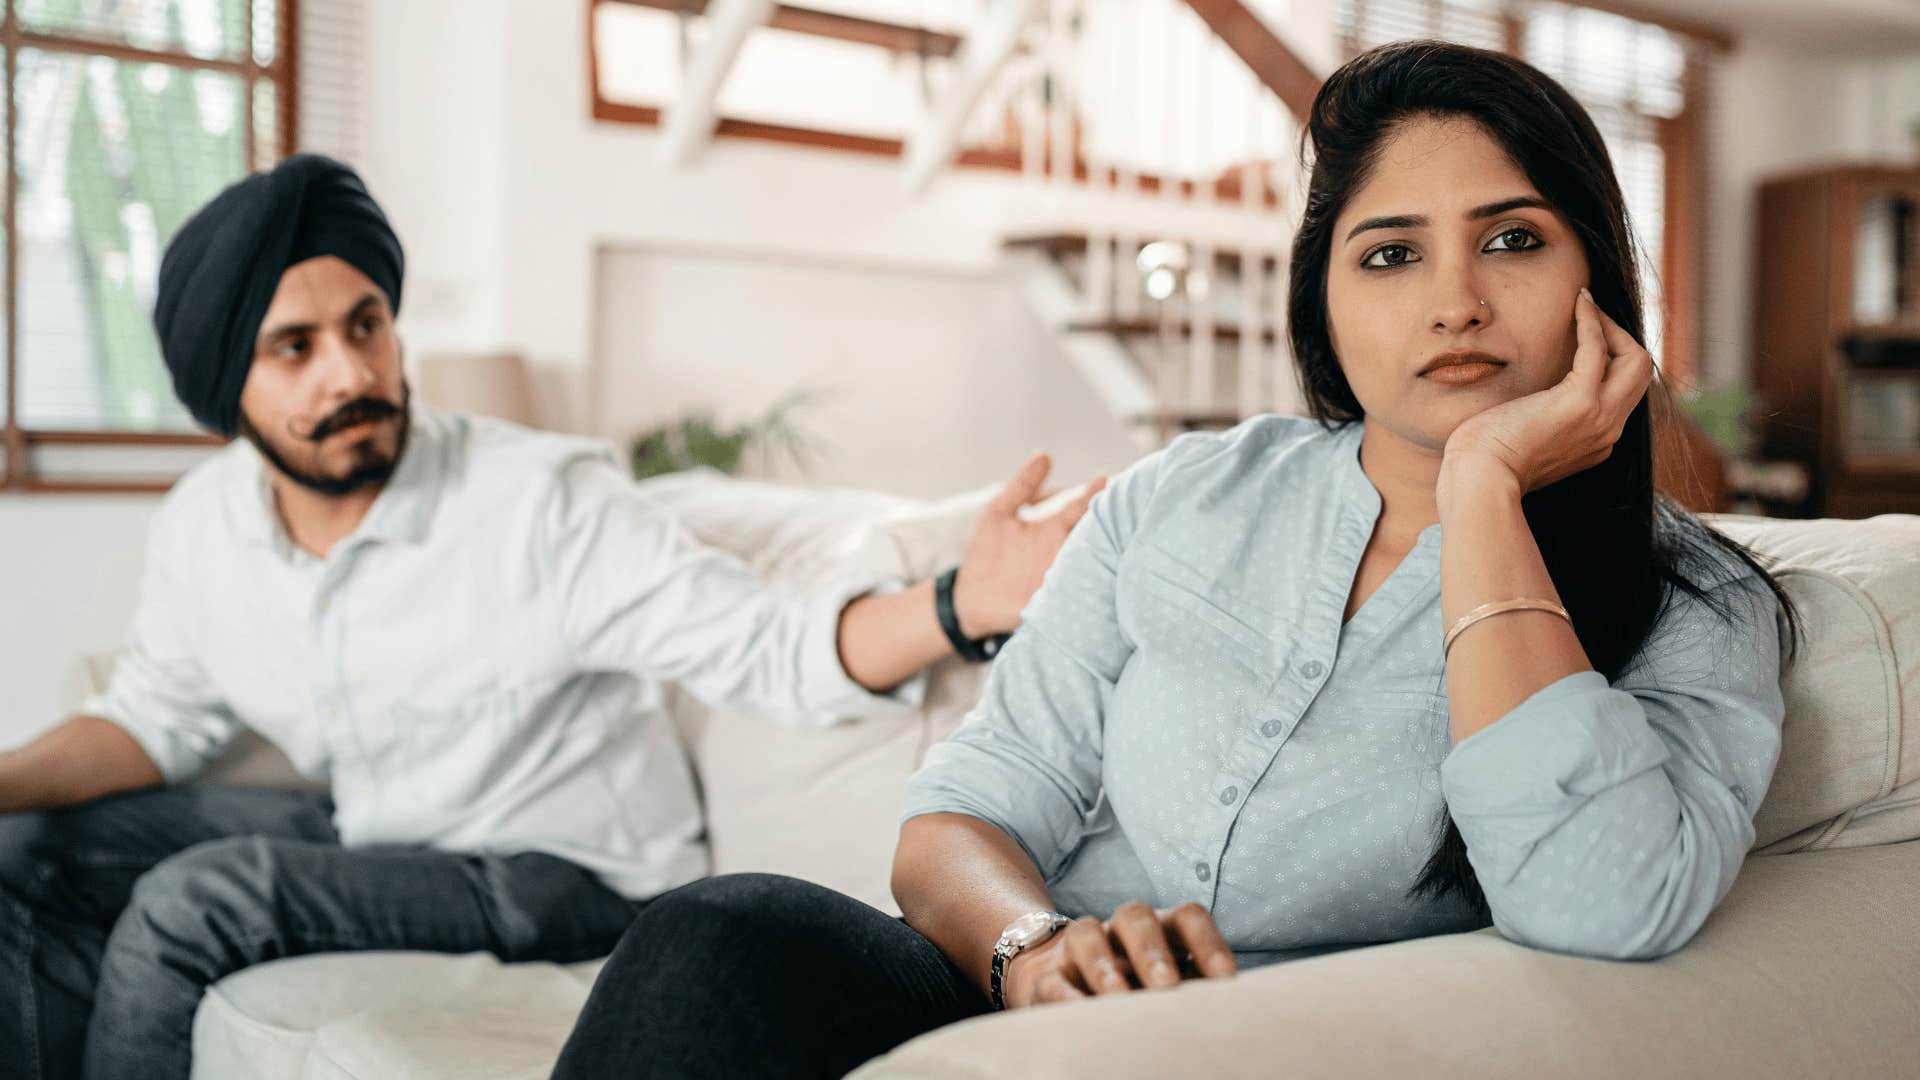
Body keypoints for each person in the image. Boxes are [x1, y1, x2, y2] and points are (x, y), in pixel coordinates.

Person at [550, 39, 1804, 1079]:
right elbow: (964, 813)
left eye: (1513, 240)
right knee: (714, 934)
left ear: (1599, 275)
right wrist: (1035, 950)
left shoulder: (1692, 606)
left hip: (1261, 1048)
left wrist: (1483, 489)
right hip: (1010, 996)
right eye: (1390, 253)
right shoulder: (1184, 495)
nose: (1454, 302)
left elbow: (1603, 901)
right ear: (1324, 297)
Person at [0, 153, 1105, 1080]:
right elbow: (151, 718)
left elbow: (767, 645)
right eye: (297, 347)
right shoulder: (206, 528)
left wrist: (964, 601)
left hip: (565, 868)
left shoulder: (539, 502)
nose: (353, 371)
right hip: (383, 825)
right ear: (224, 386)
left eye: (367, 324)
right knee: (20, 848)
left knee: (195, 902)